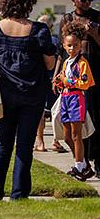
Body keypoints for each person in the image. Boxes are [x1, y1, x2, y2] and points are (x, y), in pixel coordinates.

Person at [0, 0, 57, 202]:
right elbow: (50, 64)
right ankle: (18, 194)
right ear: (28, 4)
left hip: (3, 95)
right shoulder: (39, 31)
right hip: (32, 94)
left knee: (3, 144)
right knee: (25, 146)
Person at [62, 0, 100, 174]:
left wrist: (94, 34)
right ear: (73, 0)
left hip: (95, 74)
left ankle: (98, 161)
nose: (86, 2)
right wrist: (56, 75)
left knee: (96, 117)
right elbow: (62, 49)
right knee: (75, 123)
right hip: (73, 78)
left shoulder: (97, 17)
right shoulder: (67, 19)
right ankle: (83, 162)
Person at [55, 18, 95, 180]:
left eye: (75, 45)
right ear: (64, 45)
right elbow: (63, 80)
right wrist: (59, 80)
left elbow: (86, 83)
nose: (72, 48)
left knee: (77, 134)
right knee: (66, 137)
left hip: (76, 98)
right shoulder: (66, 62)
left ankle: (79, 165)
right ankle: (83, 163)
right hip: (65, 97)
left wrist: (67, 81)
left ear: (80, 45)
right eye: (69, 45)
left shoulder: (82, 62)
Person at [35, 13, 66, 153]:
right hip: (54, 78)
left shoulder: (34, 38)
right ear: (52, 26)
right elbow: (59, 59)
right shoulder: (55, 40)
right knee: (56, 111)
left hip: (39, 78)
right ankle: (56, 141)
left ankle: (40, 142)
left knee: (39, 112)